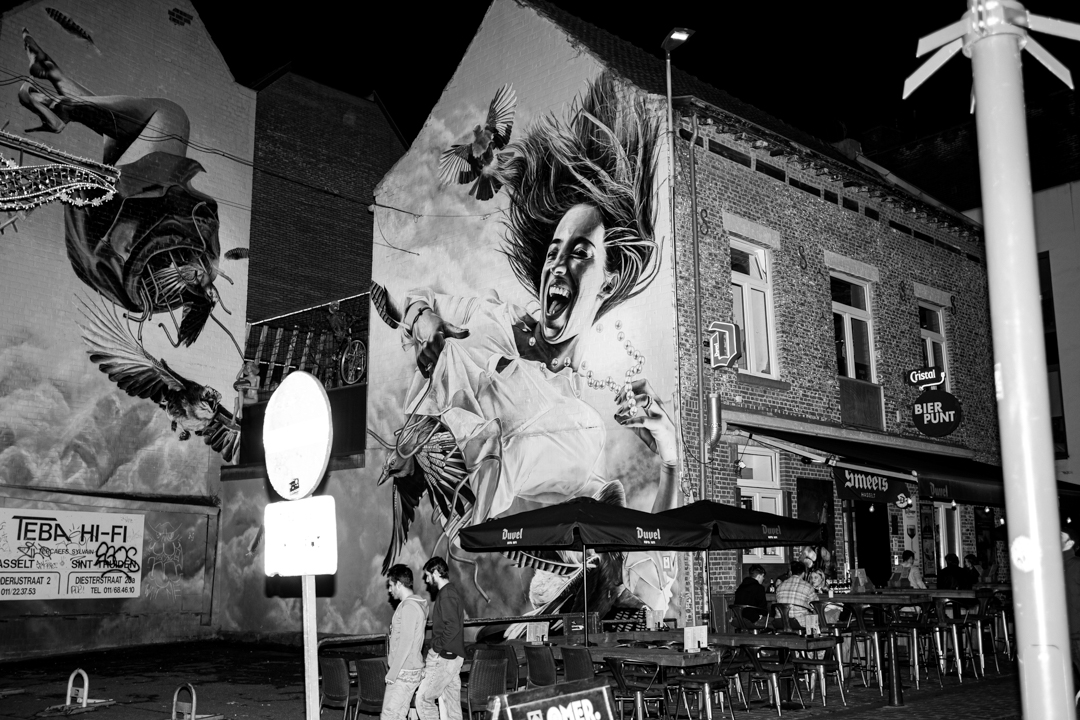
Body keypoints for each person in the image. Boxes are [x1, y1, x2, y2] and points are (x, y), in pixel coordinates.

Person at [376, 74, 678, 623]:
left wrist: (670, 457)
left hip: (506, 514)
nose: (557, 265)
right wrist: (422, 322)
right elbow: (403, 293)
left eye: (580, 253)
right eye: (554, 251)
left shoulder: (584, 422)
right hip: (445, 462)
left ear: (608, 281)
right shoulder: (492, 318)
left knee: (580, 445)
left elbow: (633, 530)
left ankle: (575, 573)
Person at [417, 557, 465, 720]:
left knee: (423, 700)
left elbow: (452, 626)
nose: (426, 580)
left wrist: (436, 647)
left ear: (436, 572)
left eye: (427, 575)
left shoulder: (446, 595)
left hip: (445, 656)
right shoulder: (450, 592)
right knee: (451, 706)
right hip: (452, 656)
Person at [383, 565, 428, 720]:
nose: (390, 590)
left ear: (399, 584)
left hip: (403, 672)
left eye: (391, 585)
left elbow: (406, 642)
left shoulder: (409, 607)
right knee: (398, 715)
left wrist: (393, 673)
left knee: (390, 716)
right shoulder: (415, 605)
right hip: (409, 669)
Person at [775, 561, 819, 632]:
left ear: (791, 572)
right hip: (800, 623)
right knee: (815, 615)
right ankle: (816, 637)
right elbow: (816, 605)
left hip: (781, 622)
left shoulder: (780, 586)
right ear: (804, 573)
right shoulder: (807, 587)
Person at [1061, 526, 1080, 695]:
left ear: (1070, 542)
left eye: (1061, 537)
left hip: (1077, 633)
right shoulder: (1053, 566)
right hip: (1060, 633)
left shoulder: (1076, 565)